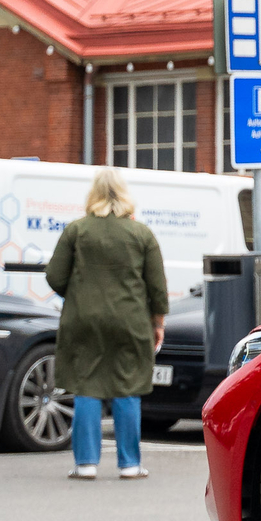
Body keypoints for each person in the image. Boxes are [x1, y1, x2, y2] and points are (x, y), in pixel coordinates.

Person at [45, 168, 170, 481]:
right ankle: (129, 464)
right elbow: (156, 287)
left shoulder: (77, 230)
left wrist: (77, 296)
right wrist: (158, 322)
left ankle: (86, 463)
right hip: (130, 320)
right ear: (125, 195)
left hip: (83, 319)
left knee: (87, 385)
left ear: (93, 195)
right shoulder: (141, 234)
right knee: (127, 387)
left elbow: (54, 276)